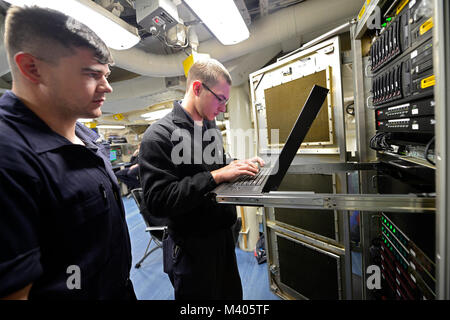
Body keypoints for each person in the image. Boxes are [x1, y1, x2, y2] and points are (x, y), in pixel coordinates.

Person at [0, 6, 135, 300]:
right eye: (92, 74)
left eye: (106, 74)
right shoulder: (8, 156)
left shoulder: (85, 135)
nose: (108, 86)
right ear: (32, 68)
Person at [139, 58, 264, 300]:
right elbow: (158, 201)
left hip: (223, 240)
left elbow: (217, 166)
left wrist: (238, 165)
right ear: (197, 88)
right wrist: (215, 176)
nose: (223, 108)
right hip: (193, 251)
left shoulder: (209, 127)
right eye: (220, 99)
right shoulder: (159, 136)